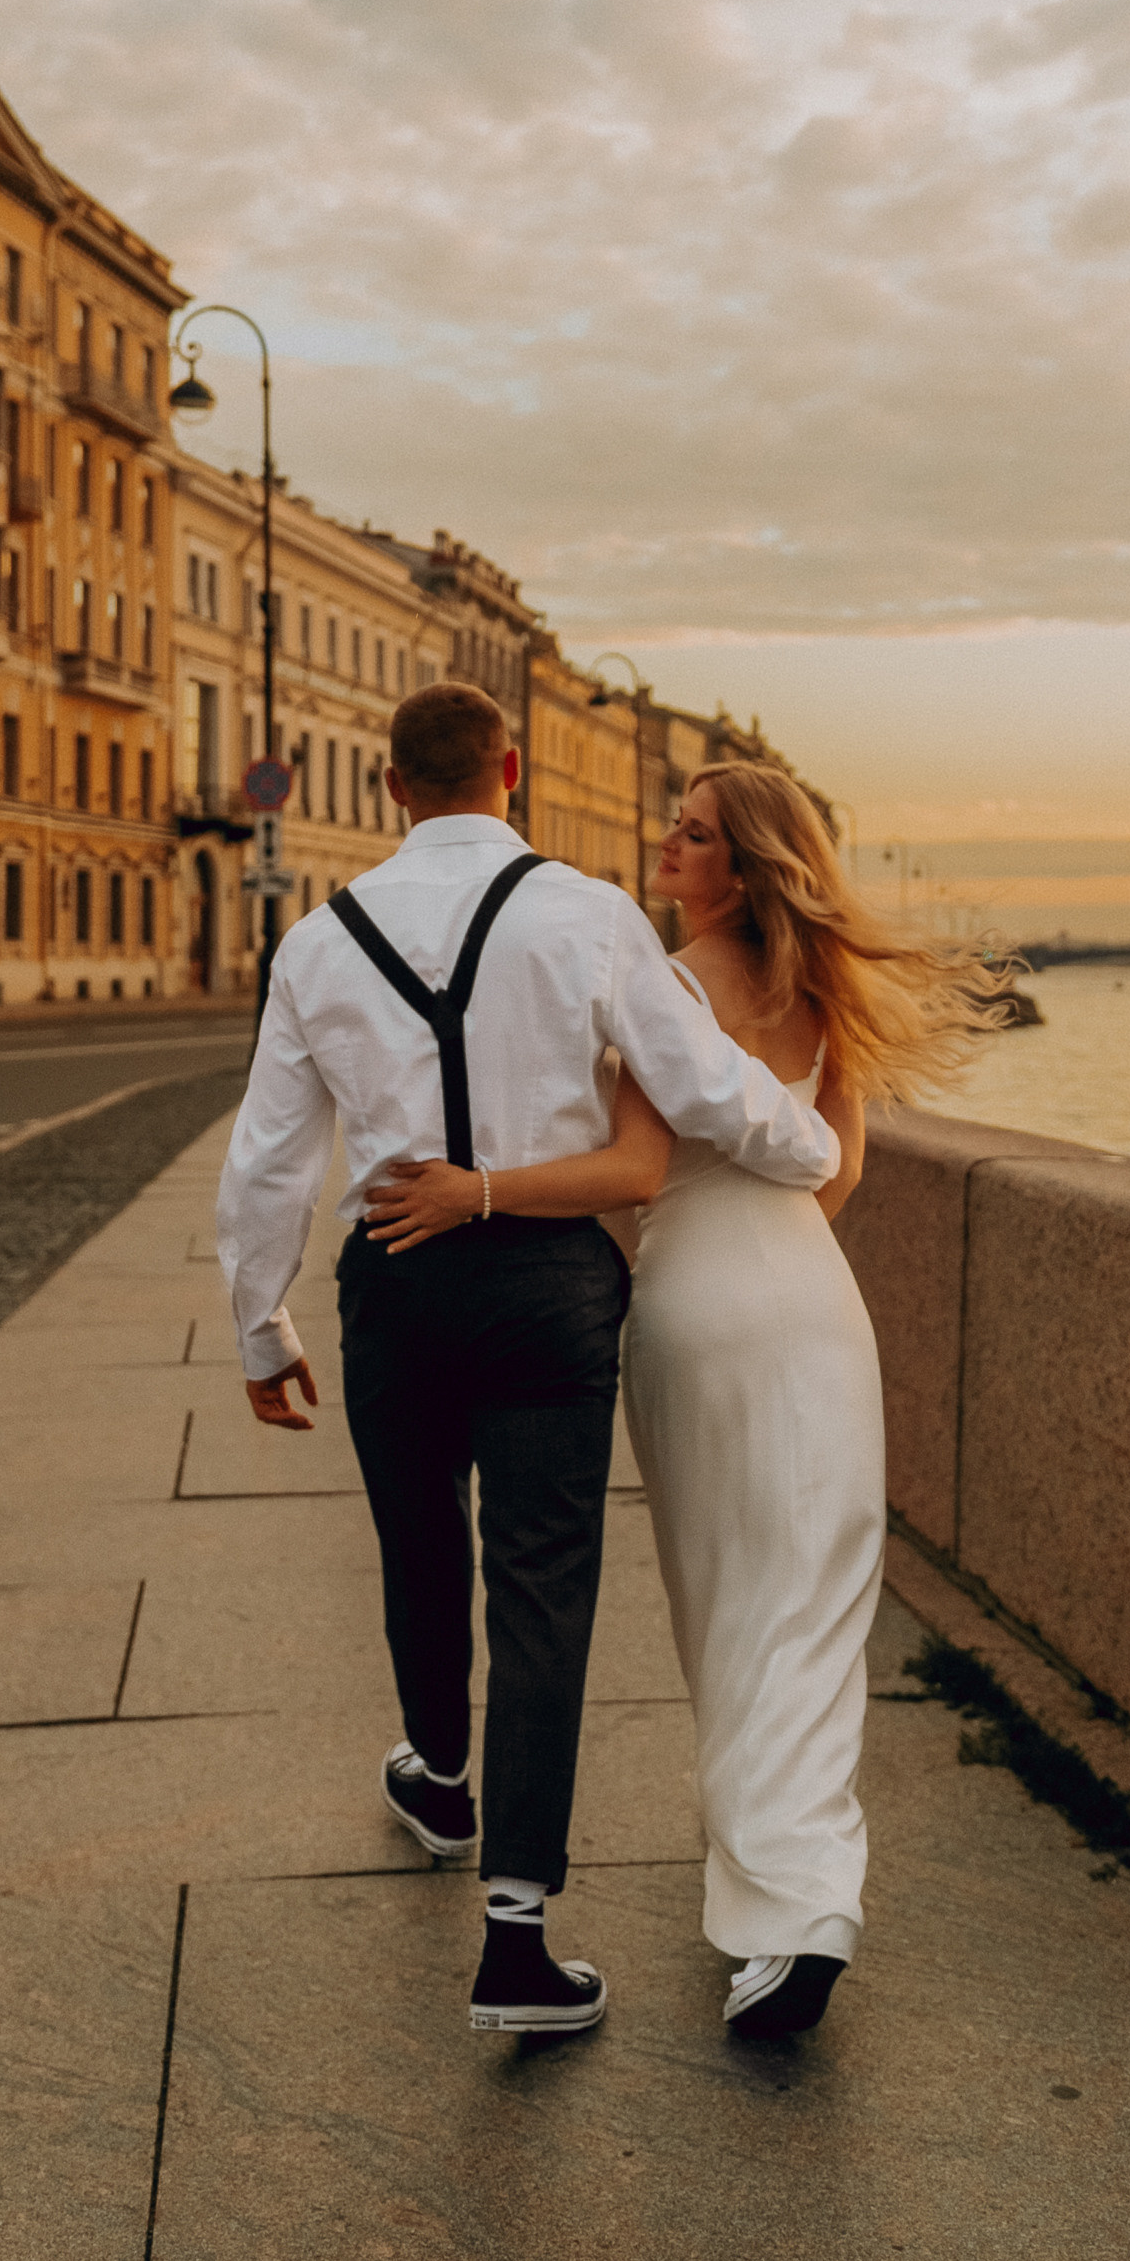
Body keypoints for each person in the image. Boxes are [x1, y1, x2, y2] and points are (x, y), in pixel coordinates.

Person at [215, 685, 840, 2039]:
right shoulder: (588, 914)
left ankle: (440, 1770)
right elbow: (700, 1087)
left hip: (395, 1269)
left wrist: (261, 1327)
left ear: (389, 787)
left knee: (419, 1542)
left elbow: (269, 1155)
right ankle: (517, 1934)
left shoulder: (318, 942)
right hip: (552, 1282)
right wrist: (811, 1152)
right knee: (544, 1585)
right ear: (512, 770)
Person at [368, 762, 1003, 2040]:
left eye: (696, 833)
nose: (669, 841)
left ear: (743, 865)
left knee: (728, 1607)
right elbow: (837, 1172)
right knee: (817, 1605)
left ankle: (782, 1914)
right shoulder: (824, 990)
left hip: (695, 1309)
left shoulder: (668, 985)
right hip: (815, 1303)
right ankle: (802, 1905)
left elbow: (633, 1172)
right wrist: (761, 1239)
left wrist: (477, 1194)